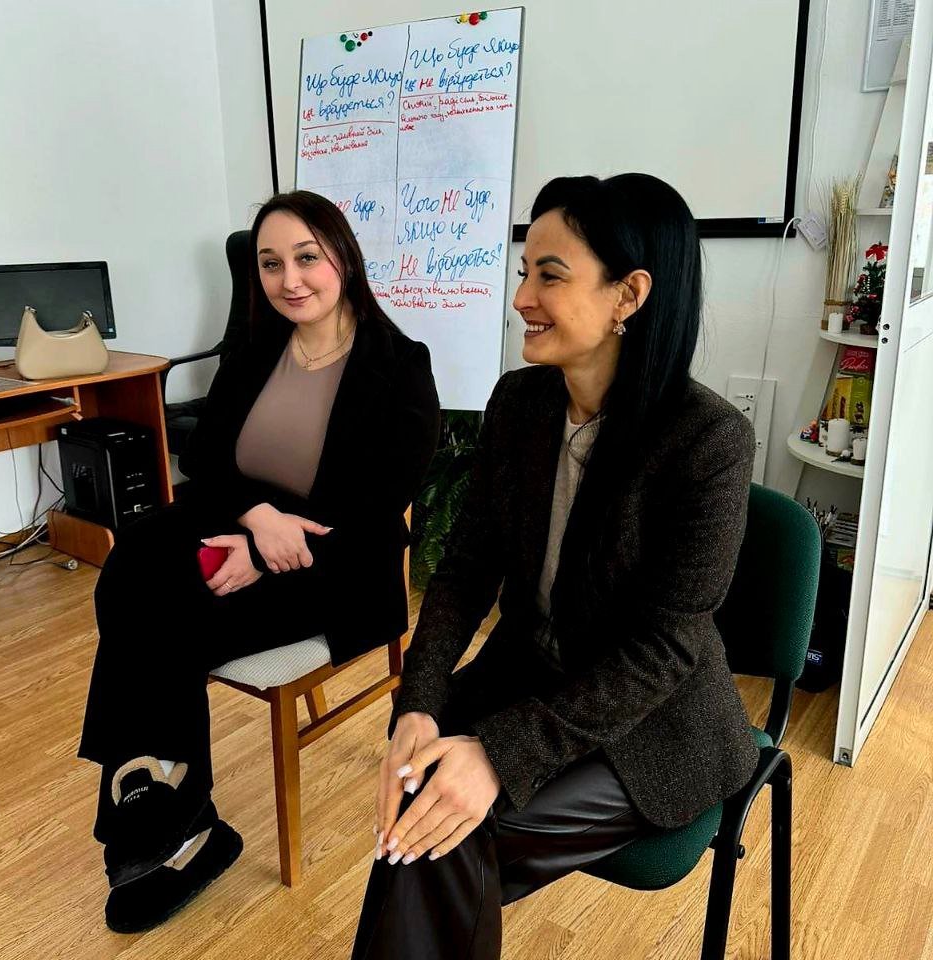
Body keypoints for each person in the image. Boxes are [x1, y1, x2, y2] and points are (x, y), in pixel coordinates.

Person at [351, 174, 759, 960]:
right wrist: (420, 706)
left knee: (448, 826)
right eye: (524, 272)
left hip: (652, 723)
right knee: (422, 795)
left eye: (550, 275)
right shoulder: (520, 403)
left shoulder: (707, 441)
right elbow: (464, 572)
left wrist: (497, 756)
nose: (521, 298)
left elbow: (662, 653)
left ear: (628, 295)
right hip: (533, 678)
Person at [77, 190, 440, 933]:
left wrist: (269, 554)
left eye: (307, 258)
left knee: (165, 618)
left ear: (343, 258)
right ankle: (172, 810)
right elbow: (207, 460)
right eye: (271, 264)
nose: (289, 279)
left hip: (335, 567)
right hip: (245, 527)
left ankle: (157, 814)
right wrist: (256, 520)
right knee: (131, 565)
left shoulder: (399, 365)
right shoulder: (256, 349)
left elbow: (378, 510)